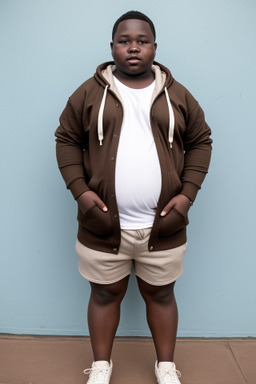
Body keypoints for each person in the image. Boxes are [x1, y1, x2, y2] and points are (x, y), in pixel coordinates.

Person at [55, 10, 212, 384]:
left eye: (142, 41)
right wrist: (80, 192)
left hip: (163, 227)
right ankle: (101, 366)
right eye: (125, 41)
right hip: (103, 224)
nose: (133, 47)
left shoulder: (177, 94)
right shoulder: (90, 92)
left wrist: (187, 195)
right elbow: (66, 139)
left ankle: (165, 367)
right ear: (112, 47)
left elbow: (201, 141)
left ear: (154, 47)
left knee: (161, 296)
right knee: (105, 295)